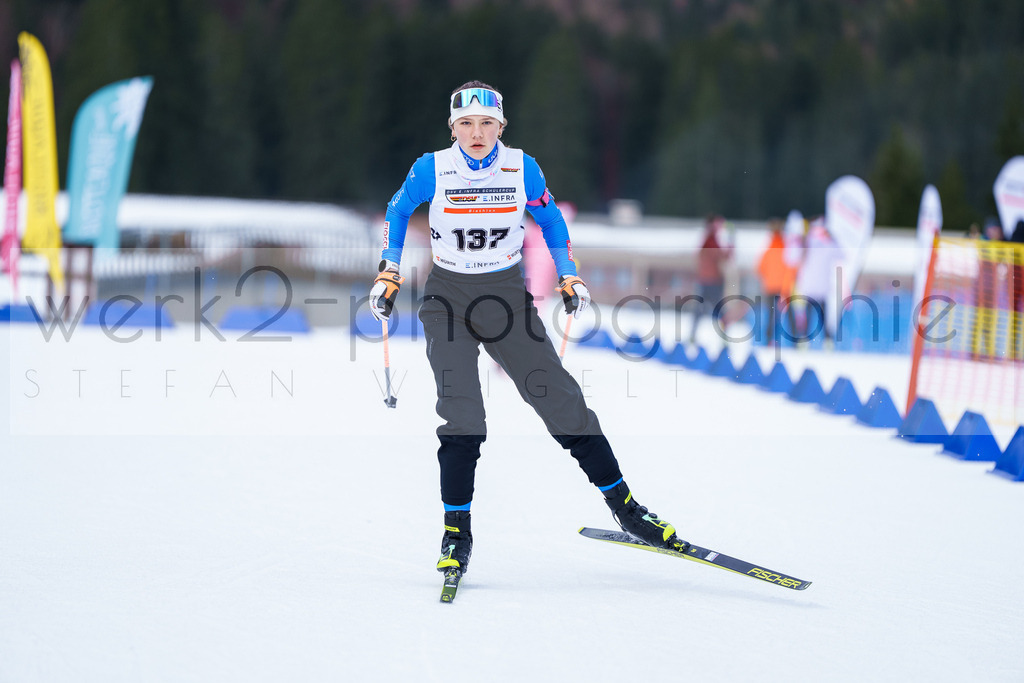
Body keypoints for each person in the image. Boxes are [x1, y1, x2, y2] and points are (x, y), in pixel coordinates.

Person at [367, 81, 687, 579]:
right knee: (462, 414)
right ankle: (457, 532)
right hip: (446, 298)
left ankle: (627, 509)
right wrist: (389, 269)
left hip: (505, 298)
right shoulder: (432, 168)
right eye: (466, 124)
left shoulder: (522, 167)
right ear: (452, 128)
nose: (477, 133)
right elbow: (397, 208)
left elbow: (551, 219)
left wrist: (568, 272)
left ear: (501, 127)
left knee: (560, 401)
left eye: (487, 124)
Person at [793, 216, 840, 343]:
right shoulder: (813, 244)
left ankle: (820, 340)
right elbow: (790, 258)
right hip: (815, 288)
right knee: (817, 316)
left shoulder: (814, 244)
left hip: (815, 288)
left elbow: (841, 253)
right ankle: (823, 340)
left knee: (816, 315)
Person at [690, 214, 733, 344]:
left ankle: (694, 335)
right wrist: (730, 244)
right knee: (717, 311)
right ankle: (723, 337)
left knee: (702, 311)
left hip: (706, 281)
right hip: (711, 282)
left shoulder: (708, 239)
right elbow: (722, 256)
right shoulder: (711, 240)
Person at [756, 218, 797, 344]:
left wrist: (767, 279)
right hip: (784, 287)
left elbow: (760, 268)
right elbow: (792, 268)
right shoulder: (786, 249)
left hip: (770, 287)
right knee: (789, 315)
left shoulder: (768, 250)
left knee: (771, 315)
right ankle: (796, 340)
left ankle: (768, 340)